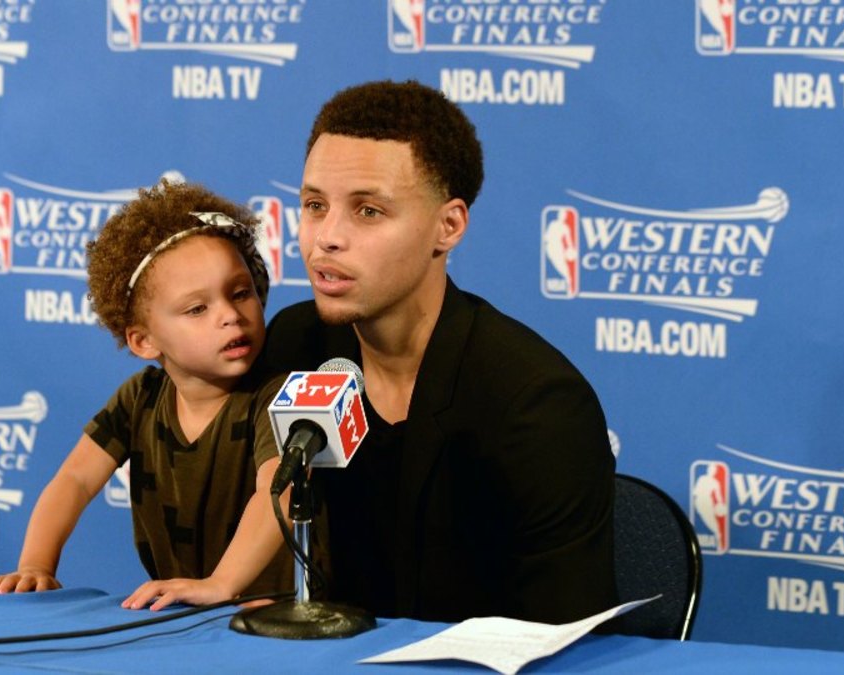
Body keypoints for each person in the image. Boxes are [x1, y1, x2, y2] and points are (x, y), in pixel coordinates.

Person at [259, 80, 617, 624]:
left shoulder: (535, 405)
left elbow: (565, 639)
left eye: (368, 211)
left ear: (447, 227)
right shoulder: (295, 343)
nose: (325, 238)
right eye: (314, 205)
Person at [0, 180, 292, 610]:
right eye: (197, 309)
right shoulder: (140, 399)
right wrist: (37, 565)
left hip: (277, 617)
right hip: (189, 616)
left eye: (240, 293)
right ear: (144, 342)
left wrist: (222, 583)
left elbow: (278, 490)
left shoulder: (279, 396)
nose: (230, 315)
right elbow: (74, 481)